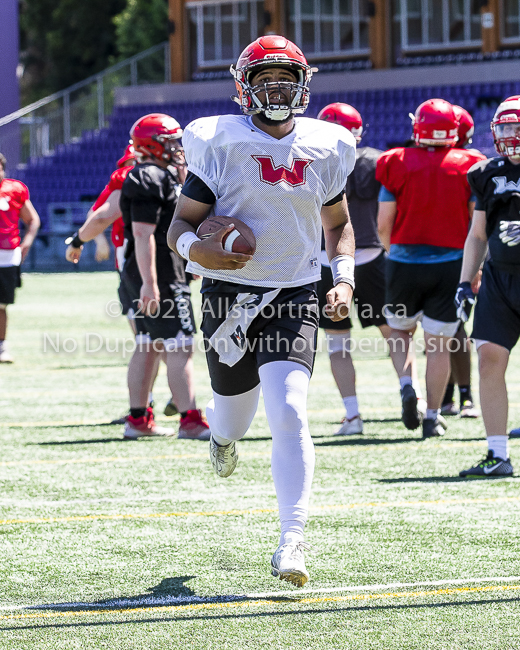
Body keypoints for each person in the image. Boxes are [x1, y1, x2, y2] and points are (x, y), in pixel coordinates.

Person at [168, 35, 356, 587]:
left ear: (303, 87)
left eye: (286, 81)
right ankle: (222, 440)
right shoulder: (220, 145)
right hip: (228, 294)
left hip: (294, 294)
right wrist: (193, 251)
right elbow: (181, 223)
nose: (276, 91)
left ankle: (292, 539)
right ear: (243, 88)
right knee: (232, 415)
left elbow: (339, 225)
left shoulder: (325, 146)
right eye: (265, 81)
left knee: (291, 409)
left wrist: (343, 278)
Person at [377, 99, 485, 438]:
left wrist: (390, 251)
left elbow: (384, 223)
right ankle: (433, 417)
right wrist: (474, 268)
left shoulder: (396, 161)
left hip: (403, 261)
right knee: (438, 343)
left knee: (399, 332)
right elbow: (474, 223)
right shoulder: (470, 165)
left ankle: (408, 386)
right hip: (452, 263)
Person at [315, 102, 424, 435]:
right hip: (374, 256)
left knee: (338, 344)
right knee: (395, 332)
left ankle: (353, 415)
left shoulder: (311, 163)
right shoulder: (379, 161)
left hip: (328, 260)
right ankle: (409, 388)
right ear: (358, 131)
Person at [120, 113, 210, 441]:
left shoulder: (161, 174)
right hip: (155, 273)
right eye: (169, 140)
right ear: (152, 143)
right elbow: (143, 234)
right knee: (181, 344)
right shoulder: (149, 177)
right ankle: (190, 419)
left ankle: (138, 419)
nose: (176, 146)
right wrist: (151, 282)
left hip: (153, 271)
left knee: (149, 344)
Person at [456, 95, 520, 477]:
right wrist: (466, 281)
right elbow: (477, 234)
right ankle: (497, 454)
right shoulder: (486, 172)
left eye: (518, 127)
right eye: (507, 127)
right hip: (499, 279)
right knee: (489, 359)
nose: (512, 135)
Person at [440, 104, 480, 419]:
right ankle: (449, 394)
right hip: (452, 255)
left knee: (453, 328)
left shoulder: (472, 167)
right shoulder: (470, 163)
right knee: (447, 329)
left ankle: (459, 394)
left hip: (458, 256)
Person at [0, 152, 40, 363]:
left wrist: (27, 242)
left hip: (6, 255)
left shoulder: (14, 189)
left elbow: (32, 219)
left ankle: (1, 346)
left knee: (2, 304)